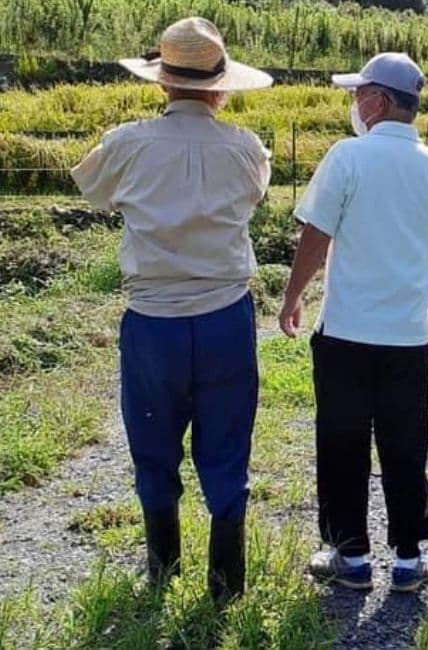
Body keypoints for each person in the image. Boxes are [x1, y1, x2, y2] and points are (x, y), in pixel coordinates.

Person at [70, 17, 273, 604]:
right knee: (228, 440)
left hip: (153, 318)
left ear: (163, 83)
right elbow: (255, 197)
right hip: (224, 315)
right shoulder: (246, 149)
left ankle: (162, 569)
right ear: (221, 85)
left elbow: (92, 192)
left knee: (153, 440)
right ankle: (226, 584)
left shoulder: (126, 142)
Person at [278, 52, 428, 593]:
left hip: (344, 335)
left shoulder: (348, 156)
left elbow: (316, 236)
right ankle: (409, 558)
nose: (354, 103)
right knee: (407, 444)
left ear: (378, 101)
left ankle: (352, 557)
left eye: (358, 93)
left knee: (342, 442)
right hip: (407, 336)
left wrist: (293, 296)